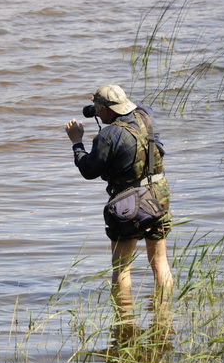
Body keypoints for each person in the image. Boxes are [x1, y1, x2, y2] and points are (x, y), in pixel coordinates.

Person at [65, 85, 174, 318]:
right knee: (160, 261)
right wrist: (100, 106)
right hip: (158, 194)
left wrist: (77, 142)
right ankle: (163, 319)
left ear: (104, 110)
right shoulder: (146, 115)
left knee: (122, 267)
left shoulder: (108, 136)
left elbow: (88, 170)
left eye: (97, 108)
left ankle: (125, 323)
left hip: (130, 204)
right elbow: (132, 109)